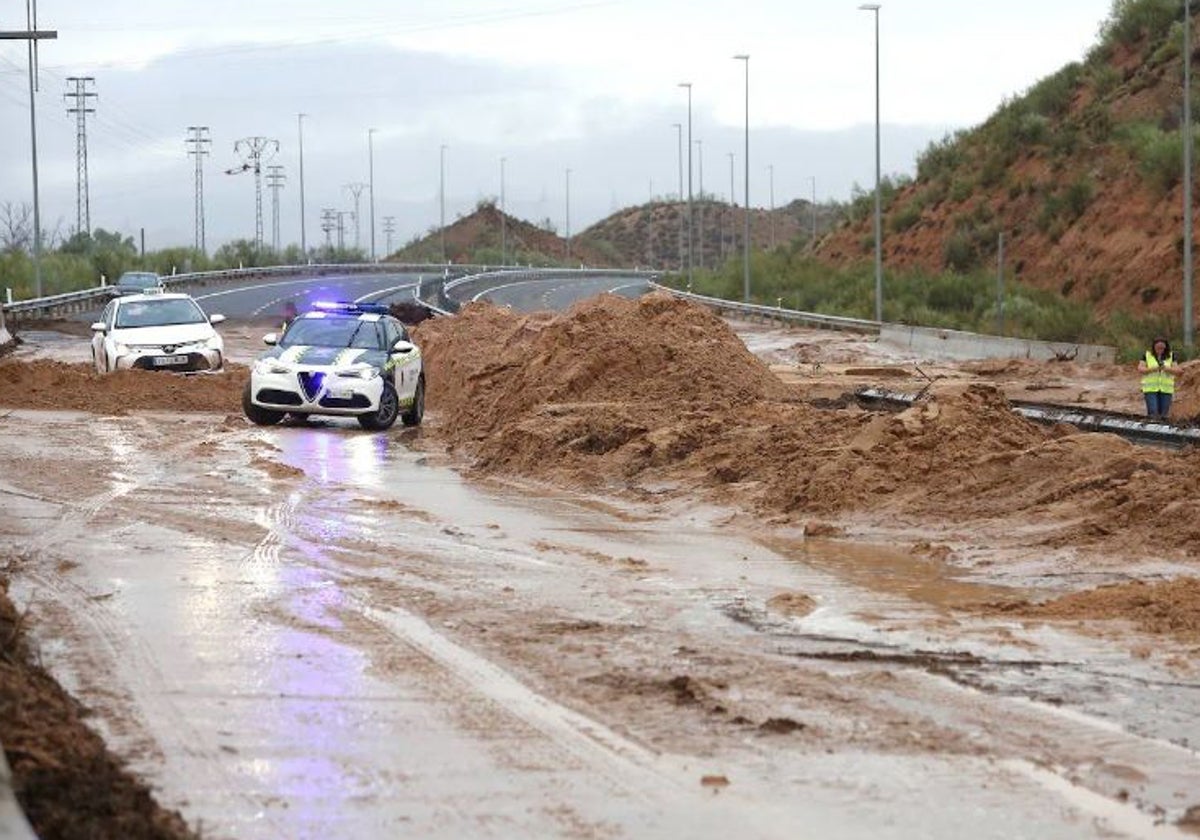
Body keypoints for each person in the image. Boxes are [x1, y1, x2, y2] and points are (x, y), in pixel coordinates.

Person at [1137, 336, 1177, 419]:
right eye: (1158, 348)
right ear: (1154, 347)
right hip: (1150, 389)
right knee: (1153, 412)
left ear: (1166, 348)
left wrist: (1166, 368)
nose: (1160, 350)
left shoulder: (1171, 356)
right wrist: (1153, 369)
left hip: (1166, 389)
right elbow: (1140, 369)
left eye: (1162, 348)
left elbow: (1177, 370)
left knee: (1163, 415)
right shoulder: (1147, 355)